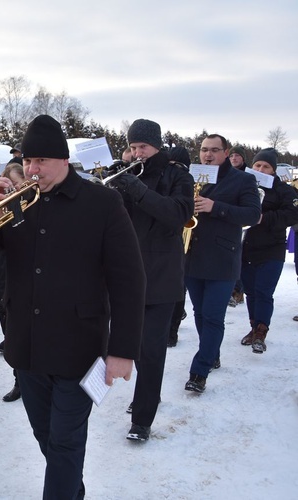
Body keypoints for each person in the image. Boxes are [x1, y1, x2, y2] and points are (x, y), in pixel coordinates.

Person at [0, 115, 146, 499]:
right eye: (28, 160)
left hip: (80, 346)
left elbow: (129, 280)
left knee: (64, 443)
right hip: (26, 347)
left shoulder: (103, 202)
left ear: (63, 160)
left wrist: (123, 351)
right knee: (46, 436)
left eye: (41, 161)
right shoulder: (17, 204)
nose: (32, 169)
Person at [109, 119, 194, 441]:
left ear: (157, 145)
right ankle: (146, 394)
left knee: (152, 348)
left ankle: (142, 418)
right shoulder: (130, 174)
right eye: (132, 147)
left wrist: (138, 190)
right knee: (128, 343)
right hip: (127, 274)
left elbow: (177, 215)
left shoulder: (177, 175)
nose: (137, 153)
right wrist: (117, 186)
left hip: (161, 276)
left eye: (142, 147)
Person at [183, 134, 261, 393]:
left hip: (222, 260)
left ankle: (199, 371)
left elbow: (252, 214)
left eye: (215, 150)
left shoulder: (243, 179)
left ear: (226, 152)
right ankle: (212, 352)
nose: (208, 155)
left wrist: (216, 207)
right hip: (192, 257)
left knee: (213, 317)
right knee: (199, 313)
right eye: (204, 150)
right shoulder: (191, 176)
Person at [239, 148, 298, 352]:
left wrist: (265, 218)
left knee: (264, 291)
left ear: (273, 170)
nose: (261, 169)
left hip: (272, 249)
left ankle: (261, 331)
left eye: (266, 166)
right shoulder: (244, 184)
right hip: (246, 248)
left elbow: (293, 214)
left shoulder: (284, 190)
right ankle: (253, 326)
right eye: (257, 165)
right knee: (250, 291)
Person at [0, 159, 25, 402]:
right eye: (8, 183)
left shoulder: (31, 204)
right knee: (6, 324)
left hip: (21, 273)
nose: (12, 188)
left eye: (16, 183)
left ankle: (23, 379)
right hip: (1, 270)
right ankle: (18, 377)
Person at [166, 146, 193, 348]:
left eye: (178, 164)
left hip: (185, 242)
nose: (174, 168)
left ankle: (172, 330)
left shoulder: (185, 180)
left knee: (178, 287)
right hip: (169, 241)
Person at [228, 146, 250, 306]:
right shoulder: (225, 174)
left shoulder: (249, 176)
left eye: (237, 156)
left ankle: (238, 290)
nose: (234, 158)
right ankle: (233, 290)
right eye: (232, 156)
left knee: (241, 257)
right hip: (230, 221)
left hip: (246, 223)